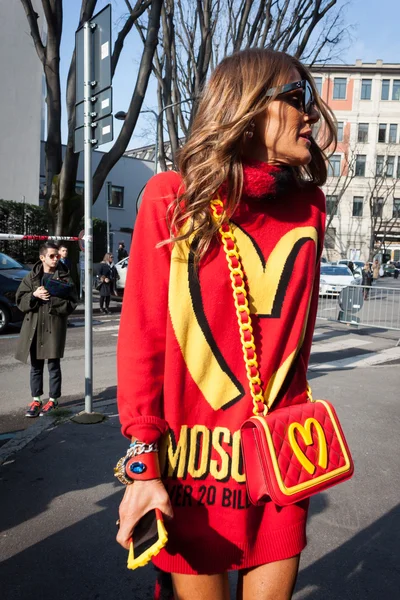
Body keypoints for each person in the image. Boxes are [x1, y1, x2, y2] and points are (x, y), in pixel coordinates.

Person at [116, 48, 335, 600]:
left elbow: (297, 348)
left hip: (280, 459)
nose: (311, 112)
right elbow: (145, 338)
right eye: (297, 98)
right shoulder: (172, 198)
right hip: (193, 464)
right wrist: (143, 463)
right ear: (247, 108)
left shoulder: (310, 209)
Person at [15, 242, 78, 417]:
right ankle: (36, 399)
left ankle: (53, 400)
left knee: (53, 365)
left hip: (53, 327)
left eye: (57, 255)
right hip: (34, 327)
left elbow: (73, 302)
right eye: (52, 256)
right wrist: (34, 295)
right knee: (36, 367)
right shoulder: (32, 276)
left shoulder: (64, 276)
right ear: (42, 257)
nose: (56, 258)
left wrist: (51, 300)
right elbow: (20, 300)